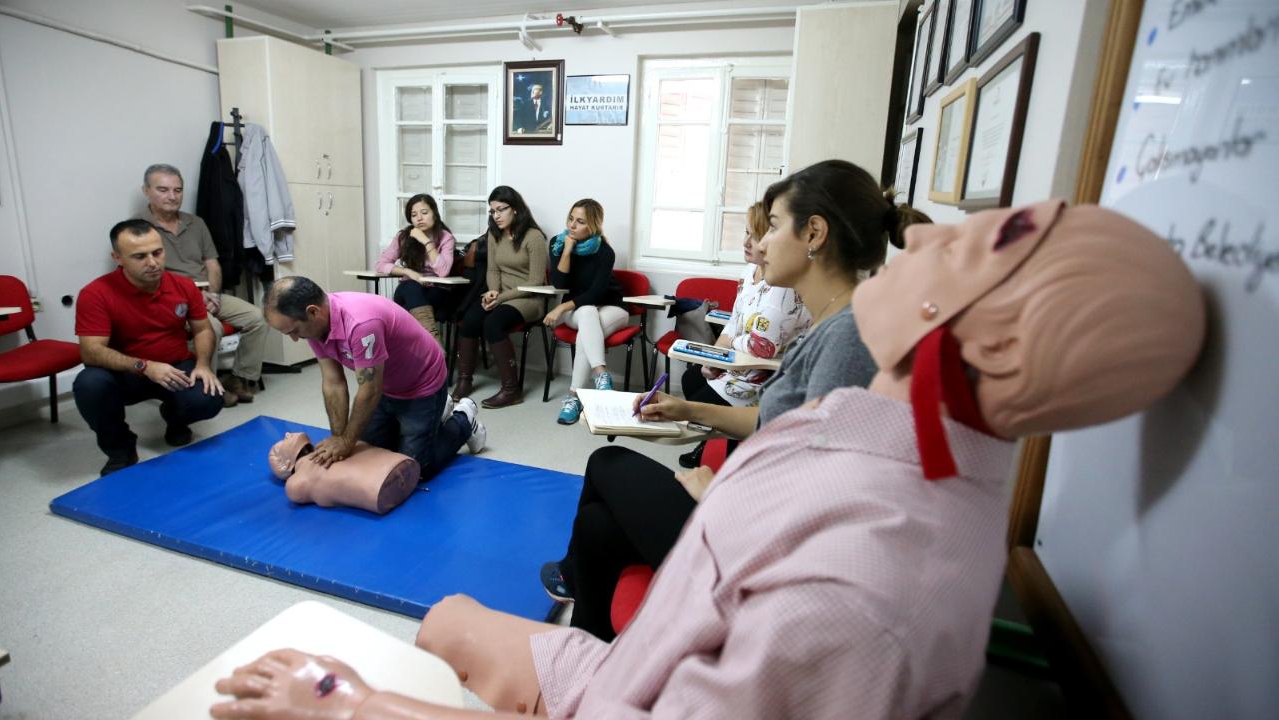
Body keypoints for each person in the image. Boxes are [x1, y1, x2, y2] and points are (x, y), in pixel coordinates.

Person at [209, 200, 1206, 719]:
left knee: (379, 662)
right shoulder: (864, 422)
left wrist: (350, 707)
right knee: (450, 616)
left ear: (993, 347)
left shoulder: (862, 598)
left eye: (977, 244)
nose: (928, 239)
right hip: (634, 669)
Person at [543, 160, 929, 639]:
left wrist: (717, 496)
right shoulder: (834, 322)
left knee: (608, 462)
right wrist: (688, 410)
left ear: (814, 233)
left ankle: (583, 612)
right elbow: (774, 420)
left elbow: (821, 489)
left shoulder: (848, 339)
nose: (761, 244)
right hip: (753, 517)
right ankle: (592, 656)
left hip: (759, 553)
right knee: (599, 529)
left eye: (772, 227)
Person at [261, 276, 486, 484]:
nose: (294, 339)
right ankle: (438, 412)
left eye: (293, 331)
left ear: (312, 312)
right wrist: (339, 439)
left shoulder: (360, 323)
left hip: (421, 383)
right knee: (369, 453)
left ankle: (463, 420)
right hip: (387, 385)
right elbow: (333, 383)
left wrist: (347, 442)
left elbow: (370, 389)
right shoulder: (314, 326)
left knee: (415, 470)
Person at [73, 219, 225, 476]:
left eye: (157, 252)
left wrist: (202, 365)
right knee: (89, 385)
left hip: (174, 367)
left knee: (208, 398)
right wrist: (145, 366)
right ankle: (121, 449)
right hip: (126, 373)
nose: (153, 262)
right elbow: (91, 351)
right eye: (140, 256)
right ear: (118, 257)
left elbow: (202, 329)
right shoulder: (95, 293)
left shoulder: (183, 286)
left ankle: (175, 418)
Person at [676, 201, 811, 467]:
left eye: (756, 235)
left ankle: (723, 456)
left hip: (766, 374)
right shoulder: (749, 272)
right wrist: (714, 359)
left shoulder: (781, 284)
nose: (747, 242)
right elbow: (734, 324)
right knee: (692, 378)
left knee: (702, 403)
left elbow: (762, 347)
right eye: (746, 233)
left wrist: (726, 353)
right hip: (739, 362)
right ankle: (710, 446)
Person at [142, 163, 267, 407]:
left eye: (178, 190)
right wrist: (194, 299)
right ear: (146, 191)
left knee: (258, 318)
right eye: (163, 190)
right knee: (212, 328)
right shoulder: (140, 229)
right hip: (173, 299)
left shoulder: (195, 223)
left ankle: (239, 379)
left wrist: (214, 294)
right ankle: (208, 388)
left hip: (207, 292)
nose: (172, 196)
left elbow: (212, 264)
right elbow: (149, 276)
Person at [452, 186, 548, 409]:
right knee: (470, 319)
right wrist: (493, 291)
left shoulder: (534, 237)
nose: (496, 216)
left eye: (500, 210)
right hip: (501, 296)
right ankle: (464, 380)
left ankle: (511, 390)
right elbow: (493, 270)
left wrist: (502, 297)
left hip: (529, 299)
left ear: (515, 209)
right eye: (492, 211)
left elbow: (535, 283)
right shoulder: (494, 235)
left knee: (493, 323)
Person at [544, 199, 626, 425]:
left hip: (611, 306)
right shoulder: (558, 244)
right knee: (588, 314)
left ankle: (574, 398)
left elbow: (596, 293)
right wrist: (568, 251)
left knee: (585, 330)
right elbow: (559, 283)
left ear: (593, 226)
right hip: (579, 311)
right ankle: (601, 375)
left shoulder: (604, 251)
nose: (572, 225)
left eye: (580, 222)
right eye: (571, 218)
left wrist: (561, 307)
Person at [268, 432, 421, 515]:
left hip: (387, 481)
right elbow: (295, 491)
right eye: (282, 442)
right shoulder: (297, 481)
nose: (287, 434)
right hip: (390, 478)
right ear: (285, 464)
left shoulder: (328, 445)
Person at [375, 193, 456, 343]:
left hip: (436, 292)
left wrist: (426, 241)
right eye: (414, 215)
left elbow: (443, 271)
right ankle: (433, 344)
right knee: (410, 286)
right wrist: (408, 271)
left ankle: (424, 351)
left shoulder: (445, 237)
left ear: (435, 214)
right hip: (409, 290)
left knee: (406, 305)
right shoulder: (404, 237)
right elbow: (381, 264)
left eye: (424, 213)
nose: (419, 218)